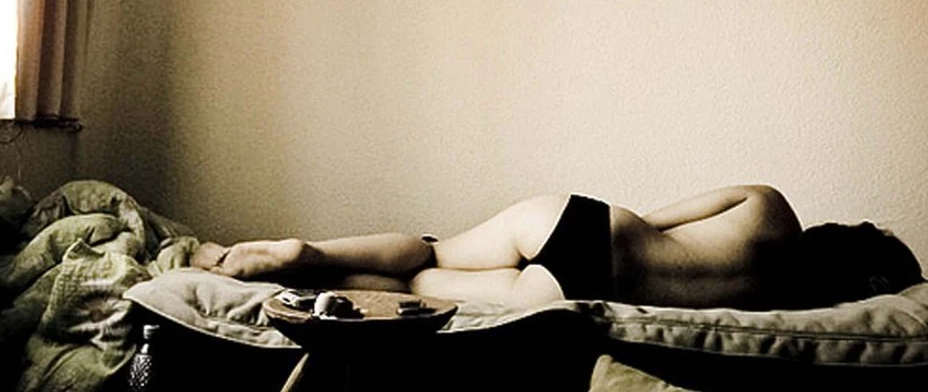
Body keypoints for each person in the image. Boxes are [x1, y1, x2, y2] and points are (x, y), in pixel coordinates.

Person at [191, 185, 924, 310]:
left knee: (431, 249)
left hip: (586, 229)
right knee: (420, 290)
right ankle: (308, 278)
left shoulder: (773, 208)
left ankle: (309, 251)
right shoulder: (786, 305)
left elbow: (662, 217)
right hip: (582, 291)